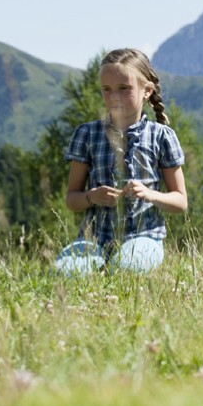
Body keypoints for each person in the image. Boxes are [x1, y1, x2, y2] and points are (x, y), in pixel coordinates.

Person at [56, 49, 188, 275]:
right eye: (106, 90)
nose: (114, 96)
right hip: (93, 240)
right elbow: (71, 199)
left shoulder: (162, 136)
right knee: (65, 272)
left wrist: (149, 194)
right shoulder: (87, 134)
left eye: (124, 89)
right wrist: (91, 197)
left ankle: (115, 267)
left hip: (145, 238)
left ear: (147, 91)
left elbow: (181, 202)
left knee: (126, 269)